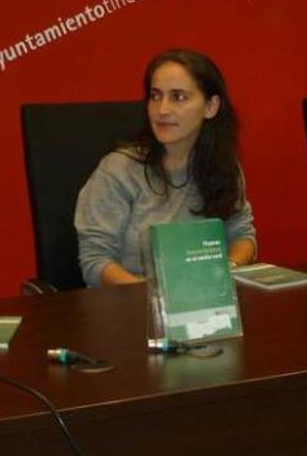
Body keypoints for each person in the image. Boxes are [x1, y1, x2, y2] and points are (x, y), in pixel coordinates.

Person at [75, 49, 256, 287]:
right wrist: (158, 299)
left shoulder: (223, 166)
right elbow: (95, 261)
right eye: (155, 96)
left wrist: (225, 271)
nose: (162, 110)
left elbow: (242, 235)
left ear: (211, 107)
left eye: (178, 97)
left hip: (204, 304)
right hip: (132, 308)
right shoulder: (118, 171)